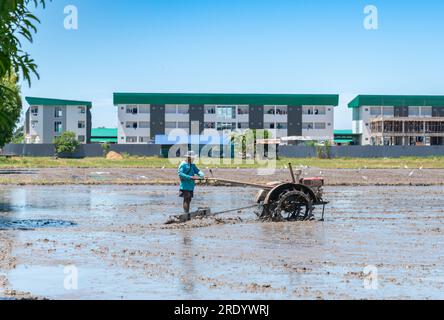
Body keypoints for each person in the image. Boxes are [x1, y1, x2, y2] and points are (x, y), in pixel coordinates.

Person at [178, 151, 205, 218]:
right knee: (186, 199)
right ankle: (186, 213)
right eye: (192, 158)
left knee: (189, 199)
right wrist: (190, 177)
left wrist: (202, 175)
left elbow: (197, 171)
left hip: (191, 185)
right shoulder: (183, 164)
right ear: (188, 158)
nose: (193, 159)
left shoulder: (192, 165)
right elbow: (180, 174)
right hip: (185, 185)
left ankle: (187, 213)